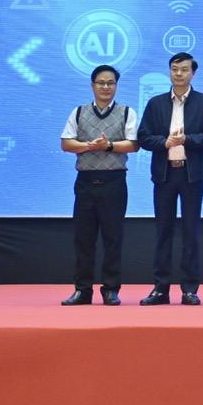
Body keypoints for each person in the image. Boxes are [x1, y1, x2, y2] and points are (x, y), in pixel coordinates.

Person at [136, 53, 203, 306]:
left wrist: (187, 140)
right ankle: (160, 288)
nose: (179, 73)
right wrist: (165, 142)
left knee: (191, 231)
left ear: (193, 73)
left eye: (184, 69)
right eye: (174, 69)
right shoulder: (156, 103)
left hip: (192, 174)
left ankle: (189, 289)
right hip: (164, 173)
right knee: (163, 230)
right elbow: (143, 137)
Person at [59, 65, 138, 306]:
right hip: (85, 182)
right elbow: (66, 143)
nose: (106, 87)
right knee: (83, 238)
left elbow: (134, 144)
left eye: (110, 83)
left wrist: (108, 146)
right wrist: (88, 146)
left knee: (113, 238)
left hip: (114, 181)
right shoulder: (78, 112)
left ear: (116, 86)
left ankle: (111, 289)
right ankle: (82, 290)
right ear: (92, 85)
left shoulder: (127, 112)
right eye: (101, 83)